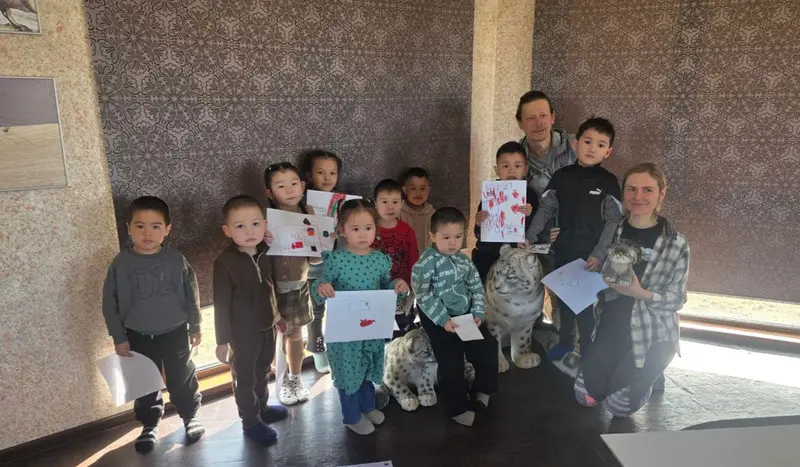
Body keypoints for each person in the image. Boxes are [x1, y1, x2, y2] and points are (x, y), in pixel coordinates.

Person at [573, 163, 689, 416]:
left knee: (619, 407)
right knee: (585, 397)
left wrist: (641, 293)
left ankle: (651, 374)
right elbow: (599, 265)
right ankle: (619, 371)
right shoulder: (613, 229)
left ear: (661, 193)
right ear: (623, 192)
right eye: (631, 189)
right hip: (613, 321)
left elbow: (676, 299)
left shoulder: (676, 243)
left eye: (647, 190)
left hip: (652, 330)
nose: (638, 197)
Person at [101, 196, 204, 454]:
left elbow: (192, 294)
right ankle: (149, 424)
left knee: (181, 376)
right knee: (144, 381)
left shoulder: (176, 259)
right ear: (128, 227)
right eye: (140, 226)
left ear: (167, 229)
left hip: (175, 331)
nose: (147, 232)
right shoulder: (120, 263)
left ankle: (190, 416)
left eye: (156, 226)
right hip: (137, 334)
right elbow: (109, 303)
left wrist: (196, 325)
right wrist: (118, 336)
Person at [524, 117, 622, 371]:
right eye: (587, 141)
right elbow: (546, 209)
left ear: (608, 152)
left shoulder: (608, 182)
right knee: (565, 304)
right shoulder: (561, 176)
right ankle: (566, 343)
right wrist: (530, 236)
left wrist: (599, 254)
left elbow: (613, 222)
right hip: (564, 251)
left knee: (587, 310)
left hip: (591, 259)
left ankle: (588, 355)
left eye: (601, 145)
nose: (592, 148)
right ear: (575, 143)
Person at [311, 199, 410, 435]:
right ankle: (352, 416)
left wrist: (398, 286)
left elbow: (386, 287)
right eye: (355, 229)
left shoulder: (379, 259)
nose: (363, 234)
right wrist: (322, 287)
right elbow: (319, 284)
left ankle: (367, 406)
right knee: (348, 374)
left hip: (371, 329)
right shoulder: (335, 259)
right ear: (341, 231)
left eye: (368, 228)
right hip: (345, 334)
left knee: (366, 369)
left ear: (375, 229)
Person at [412, 207, 499, 427]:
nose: (453, 243)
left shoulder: (464, 261)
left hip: (466, 314)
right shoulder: (425, 264)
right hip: (438, 318)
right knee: (451, 360)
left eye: (458, 237)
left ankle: (483, 389)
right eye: (446, 237)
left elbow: (476, 287)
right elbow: (423, 295)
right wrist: (443, 320)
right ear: (433, 236)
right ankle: (457, 407)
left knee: (487, 347)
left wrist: (478, 312)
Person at [213, 195, 289, 444]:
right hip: (242, 334)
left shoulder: (266, 253)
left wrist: (278, 317)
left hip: (267, 327)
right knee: (245, 379)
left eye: (256, 224)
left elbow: (271, 287)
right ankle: (251, 422)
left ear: (265, 225)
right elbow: (221, 305)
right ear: (226, 230)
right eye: (240, 226)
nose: (249, 232)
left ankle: (263, 409)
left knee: (263, 371)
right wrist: (222, 341)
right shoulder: (224, 263)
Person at [264, 162, 322, 406]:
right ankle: (276, 378)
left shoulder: (308, 217)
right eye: (280, 186)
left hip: (298, 287)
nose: (289, 190)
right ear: (269, 193)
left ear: (303, 186)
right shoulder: (263, 221)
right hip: (269, 289)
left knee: (295, 334)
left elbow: (317, 258)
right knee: (273, 335)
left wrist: (315, 228)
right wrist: (262, 237)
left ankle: (294, 378)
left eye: (293, 184)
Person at [302, 149, 344, 374]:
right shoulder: (301, 200)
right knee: (316, 311)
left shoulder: (341, 202)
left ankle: (336, 348)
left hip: (337, 262)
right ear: (309, 176)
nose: (327, 178)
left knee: (338, 308)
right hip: (314, 266)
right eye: (321, 172)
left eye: (332, 173)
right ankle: (318, 351)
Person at [472, 141, 537, 283]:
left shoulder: (530, 196)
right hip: (488, 256)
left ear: (525, 169)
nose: (511, 170)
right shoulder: (489, 196)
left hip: (517, 256)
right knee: (486, 292)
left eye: (517, 166)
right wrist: (478, 222)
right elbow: (477, 234)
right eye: (506, 166)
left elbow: (536, 230)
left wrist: (530, 215)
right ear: (497, 170)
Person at [371, 178, 420, 335]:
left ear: (401, 203)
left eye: (395, 201)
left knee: (400, 331)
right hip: (375, 289)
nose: (390, 207)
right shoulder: (368, 230)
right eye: (384, 201)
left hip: (401, 291)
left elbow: (413, 262)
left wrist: (411, 288)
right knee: (375, 329)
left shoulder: (407, 232)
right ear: (375, 203)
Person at [399, 167, 435, 254]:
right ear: (404, 190)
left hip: (426, 261)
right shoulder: (398, 212)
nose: (418, 193)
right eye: (413, 188)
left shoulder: (432, 213)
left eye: (422, 189)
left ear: (428, 190)